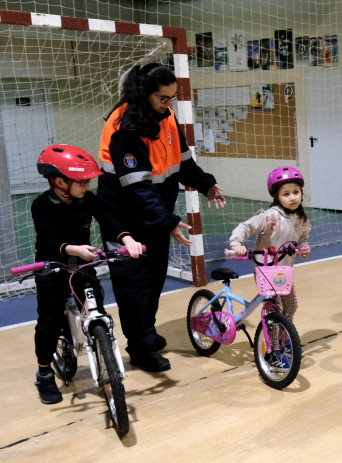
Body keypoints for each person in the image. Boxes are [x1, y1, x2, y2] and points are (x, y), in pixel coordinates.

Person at [97, 63, 226, 372]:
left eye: (172, 97)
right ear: (144, 92)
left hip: (153, 217)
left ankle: (147, 334)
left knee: (154, 279)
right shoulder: (124, 128)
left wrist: (207, 184)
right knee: (134, 285)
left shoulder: (166, 116)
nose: (169, 104)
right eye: (163, 98)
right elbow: (138, 189)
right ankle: (139, 348)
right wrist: (168, 221)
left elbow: (182, 162)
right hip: (124, 222)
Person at [31, 145, 143, 404]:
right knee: (48, 320)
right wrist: (73, 249)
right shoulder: (42, 205)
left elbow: (108, 218)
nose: (87, 186)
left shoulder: (88, 200)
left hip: (82, 263)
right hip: (52, 264)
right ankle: (44, 374)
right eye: (82, 182)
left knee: (97, 309)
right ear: (59, 182)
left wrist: (127, 238)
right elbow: (49, 238)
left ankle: (102, 350)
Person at [229, 166, 311, 367]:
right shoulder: (270, 217)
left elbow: (302, 241)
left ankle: (284, 340)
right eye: (286, 194)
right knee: (275, 310)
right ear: (276, 196)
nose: (292, 197)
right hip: (266, 271)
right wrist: (236, 244)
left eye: (296, 192)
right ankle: (273, 352)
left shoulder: (301, 219)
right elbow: (245, 227)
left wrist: (303, 250)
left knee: (291, 306)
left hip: (284, 271)